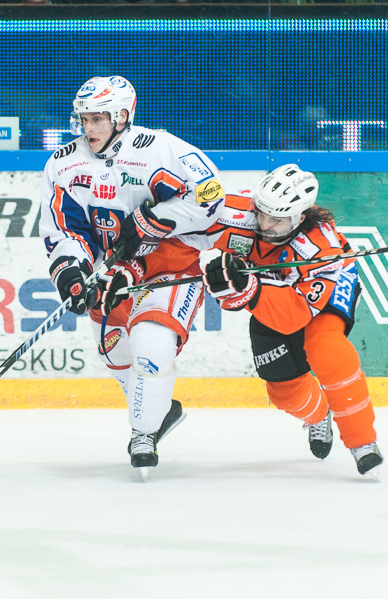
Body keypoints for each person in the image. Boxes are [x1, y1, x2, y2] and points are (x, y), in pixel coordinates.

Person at [39, 75, 226, 477]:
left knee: (151, 346)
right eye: (83, 119)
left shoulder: (159, 149)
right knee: (115, 353)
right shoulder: (62, 163)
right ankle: (159, 412)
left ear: (122, 116)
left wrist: (154, 220)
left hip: (170, 263)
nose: (88, 128)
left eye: (97, 119)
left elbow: (211, 196)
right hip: (112, 272)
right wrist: (72, 270)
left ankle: (143, 432)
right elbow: (64, 228)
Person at [198, 164, 383, 476]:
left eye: (276, 219)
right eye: (262, 213)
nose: (264, 224)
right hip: (276, 294)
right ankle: (318, 415)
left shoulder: (321, 250)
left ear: (299, 217)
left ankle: (363, 443)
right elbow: (186, 227)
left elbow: (294, 316)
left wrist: (248, 288)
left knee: (327, 350)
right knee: (282, 387)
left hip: (322, 295)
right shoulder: (237, 213)